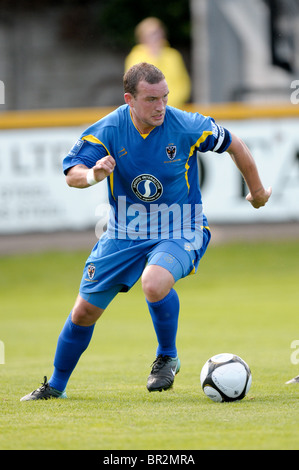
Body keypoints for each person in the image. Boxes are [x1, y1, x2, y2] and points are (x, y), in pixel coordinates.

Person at [20, 62, 272, 401]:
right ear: (130, 99)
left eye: (164, 97)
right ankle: (55, 387)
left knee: (153, 282)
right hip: (125, 233)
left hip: (182, 226)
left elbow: (234, 145)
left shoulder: (185, 124)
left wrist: (256, 192)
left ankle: (167, 356)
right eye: (152, 99)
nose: (161, 106)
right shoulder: (109, 129)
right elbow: (72, 173)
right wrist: (94, 174)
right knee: (83, 311)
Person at [125, 17, 191, 108]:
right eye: (151, 34)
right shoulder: (135, 56)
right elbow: (133, 86)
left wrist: (168, 104)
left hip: (174, 108)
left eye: (157, 32)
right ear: (142, 37)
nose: (155, 36)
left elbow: (183, 84)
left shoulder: (173, 55)